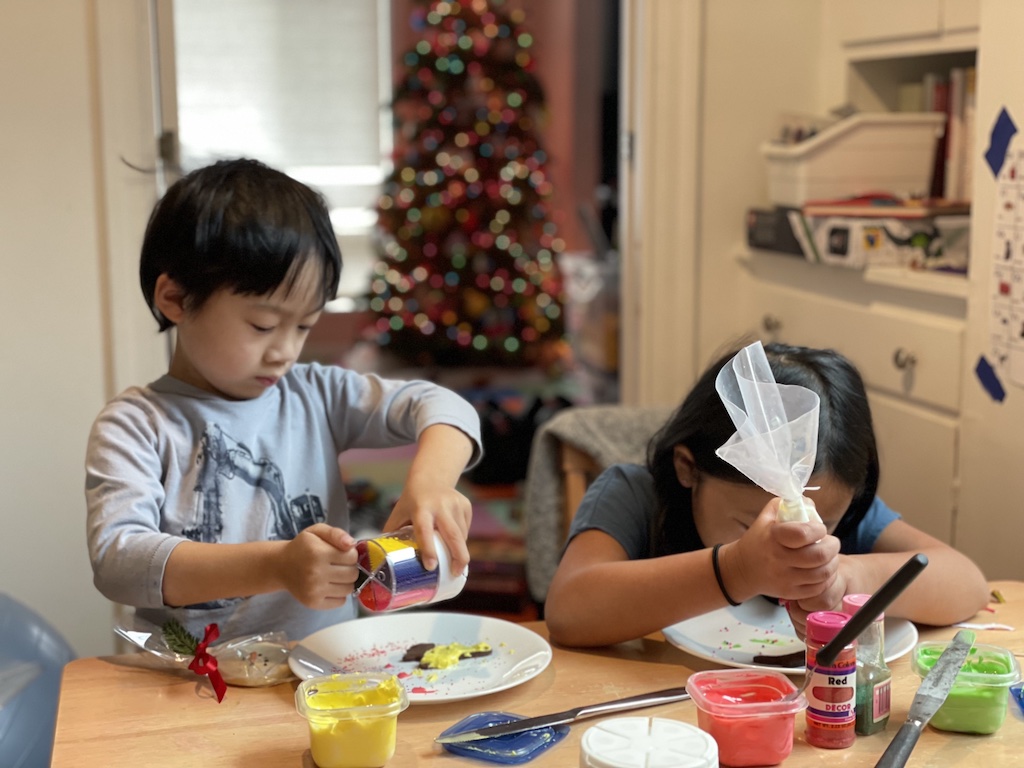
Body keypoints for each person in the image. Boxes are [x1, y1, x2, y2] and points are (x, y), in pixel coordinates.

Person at [85, 158, 482, 641]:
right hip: (188, 685)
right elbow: (119, 562)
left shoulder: (315, 393)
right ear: (175, 299)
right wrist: (277, 565)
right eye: (264, 326)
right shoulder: (135, 424)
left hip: (324, 673)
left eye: (304, 327)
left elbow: (443, 406)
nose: (285, 351)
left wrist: (433, 482)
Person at [544, 342, 989, 648]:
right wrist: (738, 568)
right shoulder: (635, 496)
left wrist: (846, 580)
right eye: (747, 525)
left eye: (824, 524)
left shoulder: (835, 511)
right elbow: (569, 611)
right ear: (688, 469)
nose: (789, 544)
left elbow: (966, 582)